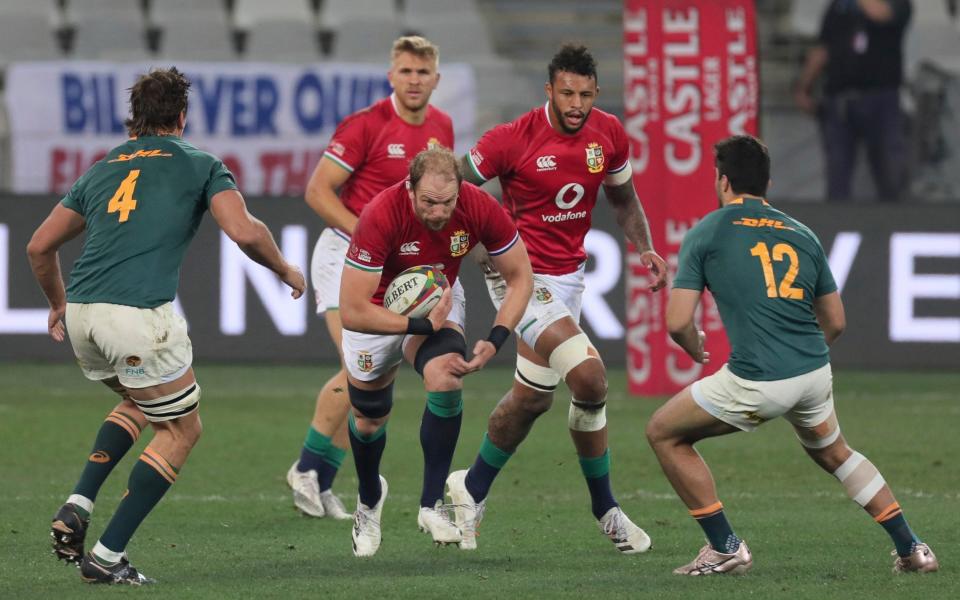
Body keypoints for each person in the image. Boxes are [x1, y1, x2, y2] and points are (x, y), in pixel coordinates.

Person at [27, 67, 306, 585]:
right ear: (182, 116)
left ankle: (77, 505)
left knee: (138, 400)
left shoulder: (103, 167)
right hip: (135, 318)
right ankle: (107, 558)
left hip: (85, 315)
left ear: (135, 119)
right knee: (182, 428)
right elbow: (244, 232)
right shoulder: (199, 163)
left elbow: (39, 246)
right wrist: (286, 269)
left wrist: (58, 303)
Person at [645, 134, 938, 575]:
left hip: (758, 379)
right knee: (836, 453)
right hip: (813, 372)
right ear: (768, 183)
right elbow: (835, 321)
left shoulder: (707, 231)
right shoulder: (802, 233)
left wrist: (694, 345)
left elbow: (676, 321)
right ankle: (913, 550)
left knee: (664, 432)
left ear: (722, 181)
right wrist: (799, 358)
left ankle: (725, 548)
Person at [445, 44, 668, 553]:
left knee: (532, 399)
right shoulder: (511, 139)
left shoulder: (608, 133)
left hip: (569, 280)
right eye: (567, 93)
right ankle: (605, 507)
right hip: (520, 275)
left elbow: (623, 197)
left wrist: (646, 247)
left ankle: (471, 487)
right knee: (590, 376)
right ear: (549, 90)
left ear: (596, 93)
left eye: (585, 95)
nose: (576, 104)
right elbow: (448, 187)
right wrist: (476, 250)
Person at [286, 35, 454, 520]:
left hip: (395, 264)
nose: (415, 80)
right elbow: (318, 191)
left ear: (435, 79)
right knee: (355, 365)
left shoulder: (441, 126)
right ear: (392, 76)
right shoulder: (366, 125)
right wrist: (369, 235)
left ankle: (322, 477)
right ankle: (305, 468)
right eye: (406, 71)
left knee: (374, 378)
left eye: (423, 72)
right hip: (345, 254)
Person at [339, 147, 532, 557]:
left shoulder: (478, 206)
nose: (438, 212)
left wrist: (497, 337)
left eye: (447, 202)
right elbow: (353, 310)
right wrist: (419, 325)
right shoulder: (382, 213)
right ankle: (369, 498)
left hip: (437, 299)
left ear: (461, 191)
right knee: (369, 420)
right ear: (410, 190)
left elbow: (520, 276)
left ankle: (431, 503)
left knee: (446, 376)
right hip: (376, 308)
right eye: (428, 201)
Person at [795, 0, 913, 201]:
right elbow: (823, 48)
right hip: (840, 100)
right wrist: (803, 86)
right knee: (837, 175)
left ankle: (894, 224)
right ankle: (838, 225)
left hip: (880, 100)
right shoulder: (838, 7)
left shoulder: (898, 3)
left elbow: (880, 14)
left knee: (889, 173)